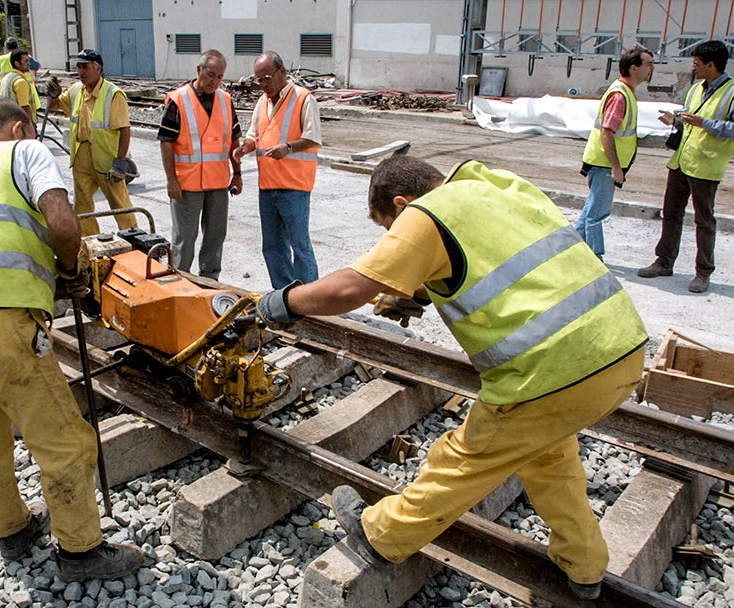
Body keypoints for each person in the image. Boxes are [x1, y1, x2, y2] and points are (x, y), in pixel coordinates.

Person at [255, 155, 648, 601]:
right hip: (620, 349)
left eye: (390, 229)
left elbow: (351, 287)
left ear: (402, 205)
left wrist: (283, 301)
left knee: (463, 459)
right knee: (549, 459)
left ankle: (381, 536)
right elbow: (494, 256)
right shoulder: (497, 184)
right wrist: (417, 289)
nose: (395, 237)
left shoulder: (423, 214)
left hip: (549, 371)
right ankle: (585, 565)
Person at [0, 99, 144, 581]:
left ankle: (13, 530)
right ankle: (81, 551)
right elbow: (64, 224)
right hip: (2, 321)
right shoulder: (24, 151)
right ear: (19, 127)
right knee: (64, 438)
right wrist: (69, 268)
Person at [638, 40, 734, 293]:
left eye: (697, 63)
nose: (694, 67)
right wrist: (676, 120)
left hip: (706, 165)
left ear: (711, 65)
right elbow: (688, 117)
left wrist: (706, 123)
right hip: (682, 161)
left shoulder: (732, 92)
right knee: (670, 213)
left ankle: (703, 273)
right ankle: (664, 261)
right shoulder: (695, 89)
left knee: (704, 221)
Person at [231, 51, 321, 289]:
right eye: (258, 80)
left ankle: (309, 296)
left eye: (267, 78)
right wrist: (244, 149)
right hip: (268, 186)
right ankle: (285, 294)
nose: (263, 85)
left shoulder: (303, 98)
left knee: (299, 245)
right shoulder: (262, 101)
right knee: (272, 246)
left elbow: (312, 138)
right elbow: (254, 135)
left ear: (282, 71)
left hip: (294, 186)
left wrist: (288, 147)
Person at [158, 49, 243, 280]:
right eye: (211, 75)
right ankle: (180, 281)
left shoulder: (226, 100)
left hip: (217, 184)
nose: (214, 82)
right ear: (199, 70)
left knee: (216, 236)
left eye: (220, 77)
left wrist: (237, 173)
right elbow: (166, 142)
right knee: (184, 238)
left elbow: (234, 139)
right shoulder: (179, 100)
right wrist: (171, 180)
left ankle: (209, 281)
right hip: (186, 186)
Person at [47, 49, 138, 236]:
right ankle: (90, 242)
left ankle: (134, 239)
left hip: (106, 160)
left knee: (120, 204)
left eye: (85, 67)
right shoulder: (75, 91)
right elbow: (55, 106)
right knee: (83, 205)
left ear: (98, 68)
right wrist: (53, 95)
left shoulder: (113, 94)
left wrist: (120, 162)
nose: (81, 72)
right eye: (79, 67)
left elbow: (124, 129)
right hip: (82, 157)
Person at [576, 47, 654, 260]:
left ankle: (571, 252)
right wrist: (616, 167)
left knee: (590, 210)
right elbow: (607, 132)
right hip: (605, 165)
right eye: (648, 64)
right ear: (634, 67)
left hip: (602, 162)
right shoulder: (620, 95)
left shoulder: (625, 92)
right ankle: (595, 258)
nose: (651, 69)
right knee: (596, 213)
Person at [0, 37, 42, 117]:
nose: (28, 63)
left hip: (8, 90)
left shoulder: (2, 59)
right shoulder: (24, 56)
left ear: (6, 48)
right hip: (27, 89)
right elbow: (36, 66)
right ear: (17, 46)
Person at [0, 49, 38, 124]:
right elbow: (24, 107)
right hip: (19, 124)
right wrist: (29, 126)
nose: (29, 64)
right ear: (17, 63)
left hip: (7, 122)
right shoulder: (20, 82)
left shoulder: (6, 78)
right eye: (26, 61)